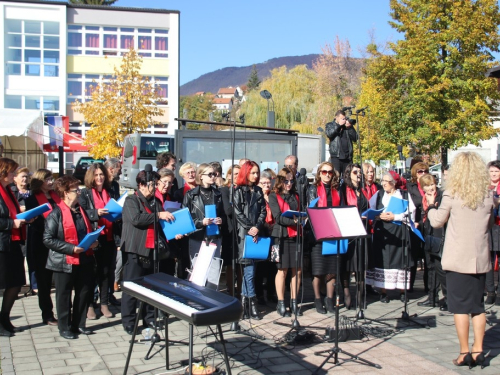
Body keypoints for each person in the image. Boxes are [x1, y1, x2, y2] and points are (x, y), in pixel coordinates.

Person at [427, 152, 495, 368]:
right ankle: (479, 351)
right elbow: (490, 223)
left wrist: (429, 207)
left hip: (457, 259)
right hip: (479, 259)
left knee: (459, 308)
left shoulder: (451, 194)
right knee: (478, 307)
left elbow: (437, 221)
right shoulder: (487, 196)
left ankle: (464, 351)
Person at [120, 170, 175, 335]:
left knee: (150, 287)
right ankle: (129, 321)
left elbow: (162, 223)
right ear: (142, 185)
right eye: (152, 185)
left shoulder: (155, 202)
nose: (154, 188)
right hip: (135, 249)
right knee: (132, 287)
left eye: (155, 185)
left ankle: (149, 318)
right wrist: (159, 215)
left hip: (152, 250)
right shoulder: (131, 200)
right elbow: (136, 219)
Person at [43, 175, 97, 339]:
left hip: (84, 258)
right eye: (76, 190)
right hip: (64, 261)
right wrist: (71, 248)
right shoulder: (56, 214)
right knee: (64, 295)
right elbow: (48, 239)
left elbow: (87, 231)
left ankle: (79, 324)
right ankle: (64, 326)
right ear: (66, 193)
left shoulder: (81, 211)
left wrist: (94, 242)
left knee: (83, 292)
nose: (79, 193)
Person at [366, 172, 416, 303]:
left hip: (399, 231)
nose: (383, 184)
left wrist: (395, 217)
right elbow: (370, 208)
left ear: (393, 182)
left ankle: (402, 291)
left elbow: (411, 212)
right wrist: (377, 216)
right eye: (382, 181)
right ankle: (383, 292)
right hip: (382, 232)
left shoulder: (404, 195)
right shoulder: (378, 195)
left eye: (386, 181)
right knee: (382, 260)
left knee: (400, 261)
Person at [79, 163, 116, 319]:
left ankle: (104, 304)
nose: (99, 177)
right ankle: (89, 305)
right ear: (91, 177)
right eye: (96, 175)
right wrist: (96, 213)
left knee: (106, 272)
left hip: (109, 236)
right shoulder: (85, 193)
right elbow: (81, 213)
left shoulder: (110, 190)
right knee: (92, 273)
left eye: (101, 174)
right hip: (94, 237)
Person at [25, 169, 59, 326]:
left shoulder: (56, 197)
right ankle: (47, 314)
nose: (51, 182)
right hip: (41, 243)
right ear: (40, 181)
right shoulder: (32, 199)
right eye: (48, 179)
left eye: (51, 179)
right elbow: (35, 222)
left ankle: (64, 311)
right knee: (44, 282)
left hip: (58, 243)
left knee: (59, 280)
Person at [233, 161, 266, 320]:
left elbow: (263, 212)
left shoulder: (259, 191)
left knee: (250, 270)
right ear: (245, 173)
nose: (256, 175)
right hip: (243, 234)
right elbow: (237, 212)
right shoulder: (238, 191)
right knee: (248, 271)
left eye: (257, 172)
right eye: (253, 172)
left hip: (256, 233)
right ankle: (251, 303)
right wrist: (249, 227)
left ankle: (245, 304)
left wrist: (257, 227)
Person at [307, 162, 342, 314]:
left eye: (330, 172)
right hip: (318, 234)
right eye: (324, 172)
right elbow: (311, 210)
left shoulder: (336, 190)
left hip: (333, 233)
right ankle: (317, 300)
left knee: (332, 270)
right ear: (319, 173)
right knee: (319, 270)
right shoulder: (313, 189)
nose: (327, 174)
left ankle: (329, 300)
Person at [269, 167, 302, 317]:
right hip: (280, 236)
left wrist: (302, 219)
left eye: (291, 181)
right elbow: (278, 217)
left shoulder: (296, 195)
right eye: (286, 181)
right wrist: (295, 221)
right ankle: (281, 303)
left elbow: (301, 212)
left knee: (297, 269)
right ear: (280, 181)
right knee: (282, 270)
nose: (289, 184)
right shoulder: (273, 195)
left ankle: (294, 302)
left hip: (296, 236)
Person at [0, 158, 27, 336]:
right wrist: (12, 223)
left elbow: (13, 212)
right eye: (12, 172)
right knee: (3, 283)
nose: (14, 175)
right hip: (2, 244)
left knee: (16, 283)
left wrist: (25, 218)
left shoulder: (8, 190)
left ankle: (4, 318)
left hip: (14, 242)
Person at [416, 174, 447, 311]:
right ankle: (432, 297)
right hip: (428, 234)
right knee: (430, 266)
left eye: (432, 184)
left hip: (439, 235)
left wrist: (431, 205)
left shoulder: (441, 197)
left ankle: (447, 298)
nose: (431, 188)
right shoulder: (424, 198)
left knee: (440, 268)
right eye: (427, 186)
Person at [340, 163, 369, 310]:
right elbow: (342, 209)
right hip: (349, 231)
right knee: (347, 265)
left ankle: (360, 296)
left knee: (360, 265)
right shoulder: (344, 190)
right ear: (348, 174)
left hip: (363, 231)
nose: (358, 174)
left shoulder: (363, 190)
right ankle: (347, 294)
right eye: (355, 172)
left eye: (359, 172)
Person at [183, 163, 224, 262]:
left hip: (214, 236)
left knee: (214, 272)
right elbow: (185, 219)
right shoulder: (191, 195)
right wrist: (201, 222)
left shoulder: (218, 193)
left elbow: (223, 214)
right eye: (210, 174)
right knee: (198, 272)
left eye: (214, 174)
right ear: (201, 176)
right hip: (197, 236)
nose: (213, 176)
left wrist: (221, 220)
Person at [255, 171, 277, 305]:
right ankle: (259, 295)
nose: (266, 185)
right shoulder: (256, 197)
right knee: (260, 266)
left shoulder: (274, 196)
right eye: (263, 183)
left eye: (268, 182)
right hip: (261, 234)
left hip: (273, 234)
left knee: (273, 266)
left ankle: (271, 292)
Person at [220, 165, 242, 297]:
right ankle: (230, 290)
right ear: (228, 176)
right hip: (230, 230)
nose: (237, 176)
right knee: (230, 263)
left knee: (240, 263)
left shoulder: (243, 189)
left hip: (242, 230)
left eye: (239, 174)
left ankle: (240, 291)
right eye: (234, 174)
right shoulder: (225, 190)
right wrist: (241, 210)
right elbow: (228, 210)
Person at [104, 158, 123, 300]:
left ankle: (110, 293)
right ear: (111, 169)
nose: (121, 171)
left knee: (112, 263)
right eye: (119, 168)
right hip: (103, 227)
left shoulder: (115, 185)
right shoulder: (103, 186)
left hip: (115, 226)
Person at [325, 110, 358, 176]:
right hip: (336, 157)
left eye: (344, 118)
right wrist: (339, 125)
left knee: (348, 178)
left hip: (347, 158)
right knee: (336, 178)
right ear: (336, 118)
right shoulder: (330, 125)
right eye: (342, 119)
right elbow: (329, 134)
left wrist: (350, 127)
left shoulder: (346, 127)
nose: (344, 120)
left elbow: (355, 138)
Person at [485, 160, 500, 304]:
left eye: (496, 171)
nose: (494, 174)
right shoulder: (484, 187)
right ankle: (490, 291)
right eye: (492, 171)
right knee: (487, 259)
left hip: (499, 224)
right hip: (487, 225)